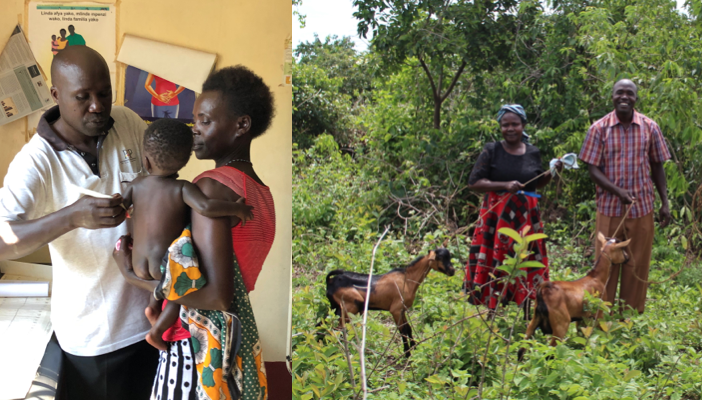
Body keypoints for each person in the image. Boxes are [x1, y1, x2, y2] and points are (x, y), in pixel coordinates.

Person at [0, 46, 158, 399]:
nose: (97, 105)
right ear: (56, 95)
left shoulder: (128, 122)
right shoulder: (36, 161)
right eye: (82, 97)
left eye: (104, 93)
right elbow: (2, 238)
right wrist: (71, 217)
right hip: (94, 338)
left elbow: (157, 184)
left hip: (149, 320)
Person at [113, 65, 276, 400]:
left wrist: (135, 280)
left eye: (204, 121)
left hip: (196, 347)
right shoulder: (261, 191)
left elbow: (216, 296)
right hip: (233, 336)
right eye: (194, 120)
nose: (194, 130)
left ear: (241, 125)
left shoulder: (211, 190)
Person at [121, 118, 253, 351]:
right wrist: (237, 209)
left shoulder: (136, 184)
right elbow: (206, 208)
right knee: (178, 295)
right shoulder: (182, 188)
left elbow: (121, 207)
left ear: (146, 160)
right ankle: (157, 332)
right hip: (165, 268)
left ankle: (152, 309)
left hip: (137, 261)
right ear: (185, 160)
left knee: (165, 288)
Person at [579, 78, 671, 314]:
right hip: (609, 209)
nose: (624, 97)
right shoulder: (599, 128)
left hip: (642, 209)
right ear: (612, 97)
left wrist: (665, 203)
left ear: (635, 98)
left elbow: (657, 165)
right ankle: (602, 315)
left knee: (637, 265)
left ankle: (630, 317)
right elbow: (592, 169)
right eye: (620, 93)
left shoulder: (650, 127)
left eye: (629, 93)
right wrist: (617, 191)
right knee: (605, 265)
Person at [464, 104, 561, 314]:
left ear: (523, 125)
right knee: (495, 258)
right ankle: (492, 308)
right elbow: (474, 182)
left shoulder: (533, 151)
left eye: (515, 124)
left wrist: (552, 172)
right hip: (496, 218)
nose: (510, 128)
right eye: (505, 124)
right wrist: (504, 185)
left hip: (527, 218)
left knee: (527, 259)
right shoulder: (492, 150)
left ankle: (527, 307)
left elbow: (535, 184)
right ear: (500, 127)